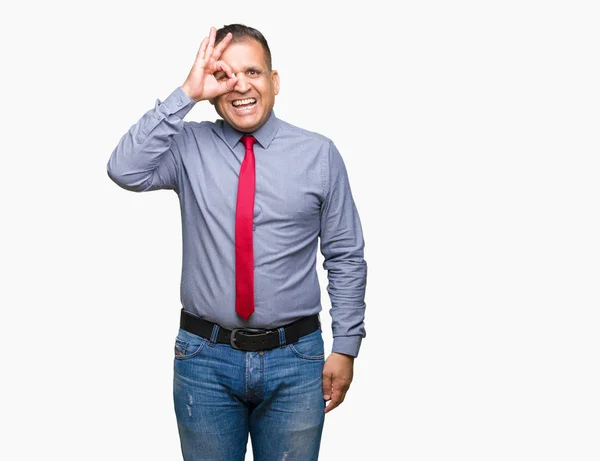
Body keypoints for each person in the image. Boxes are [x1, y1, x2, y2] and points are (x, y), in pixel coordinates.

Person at [106, 23, 367, 461]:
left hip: (295, 362)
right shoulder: (187, 146)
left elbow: (345, 254)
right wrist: (186, 93)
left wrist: (346, 345)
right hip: (204, 360)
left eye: (253, 72)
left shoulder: (319, 154)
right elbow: (124, 169)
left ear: (274, 80)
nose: (240, 86)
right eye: (225, 75)